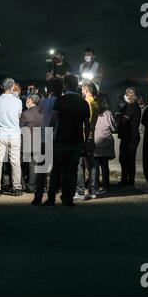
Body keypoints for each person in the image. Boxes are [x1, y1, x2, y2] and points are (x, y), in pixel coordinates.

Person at [42, 75, 90, 207]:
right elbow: (87, 125)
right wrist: (85, 142)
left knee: (57, 170)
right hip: (77, 141)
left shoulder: (61, 100)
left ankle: (51, 199)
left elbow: (53, 120)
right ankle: (68, 199)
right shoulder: (83, 103)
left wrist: (48, 136)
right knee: (72, 171)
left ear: (65, 86)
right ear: (76, 86)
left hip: (61, 140)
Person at [32, 78, 63, 206]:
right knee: (56, 170)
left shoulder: (44, 102)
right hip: (57, 137)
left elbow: (40, 112)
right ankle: (52, 197)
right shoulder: (62, 101)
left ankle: (38, 196)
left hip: (45, 137)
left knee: (41, 169)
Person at [0, 78, 23, 197]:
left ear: (2, 87)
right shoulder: (18, 102)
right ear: (12, 86)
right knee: (15, 162)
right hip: (14, 134)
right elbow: (18, 116)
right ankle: (16, 187)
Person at [76, 81, 100, 200]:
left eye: (82, 90)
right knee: (92, 165)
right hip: (92, 135)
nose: (81, 92)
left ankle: (80, 191)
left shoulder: (87, 103)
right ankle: (93, 190)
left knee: (80, 165)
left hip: (84, 136)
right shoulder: (96, 103)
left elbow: (86, 121)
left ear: (86, 90)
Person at [116, 88, 142, 187]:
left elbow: (124, 120)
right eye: (126, 93)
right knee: (124, 159)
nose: (126, 95)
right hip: (128, 137)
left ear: (134, 95)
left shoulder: (132, 106)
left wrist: (119, 115)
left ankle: (128, 181)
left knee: (129, 160)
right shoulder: (130, 106)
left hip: (130, 137)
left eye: (129, 93)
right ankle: (126, 181)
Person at [91, 94, 116, 195]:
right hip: (106, 143)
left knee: (94, 167)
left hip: (95, 142)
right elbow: (114, 128)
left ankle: (94, 187)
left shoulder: (93, 112)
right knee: (105, 166)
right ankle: (106, 187)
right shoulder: (108, 113)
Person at [20, 94, 43, 193]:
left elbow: (20, 128)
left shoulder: (25, 113)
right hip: (39, 141)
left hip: (26, 142)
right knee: (35, 165)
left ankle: (25, 185)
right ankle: (35, 185)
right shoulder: (43, 112)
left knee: (22, 164)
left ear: (30, 100)